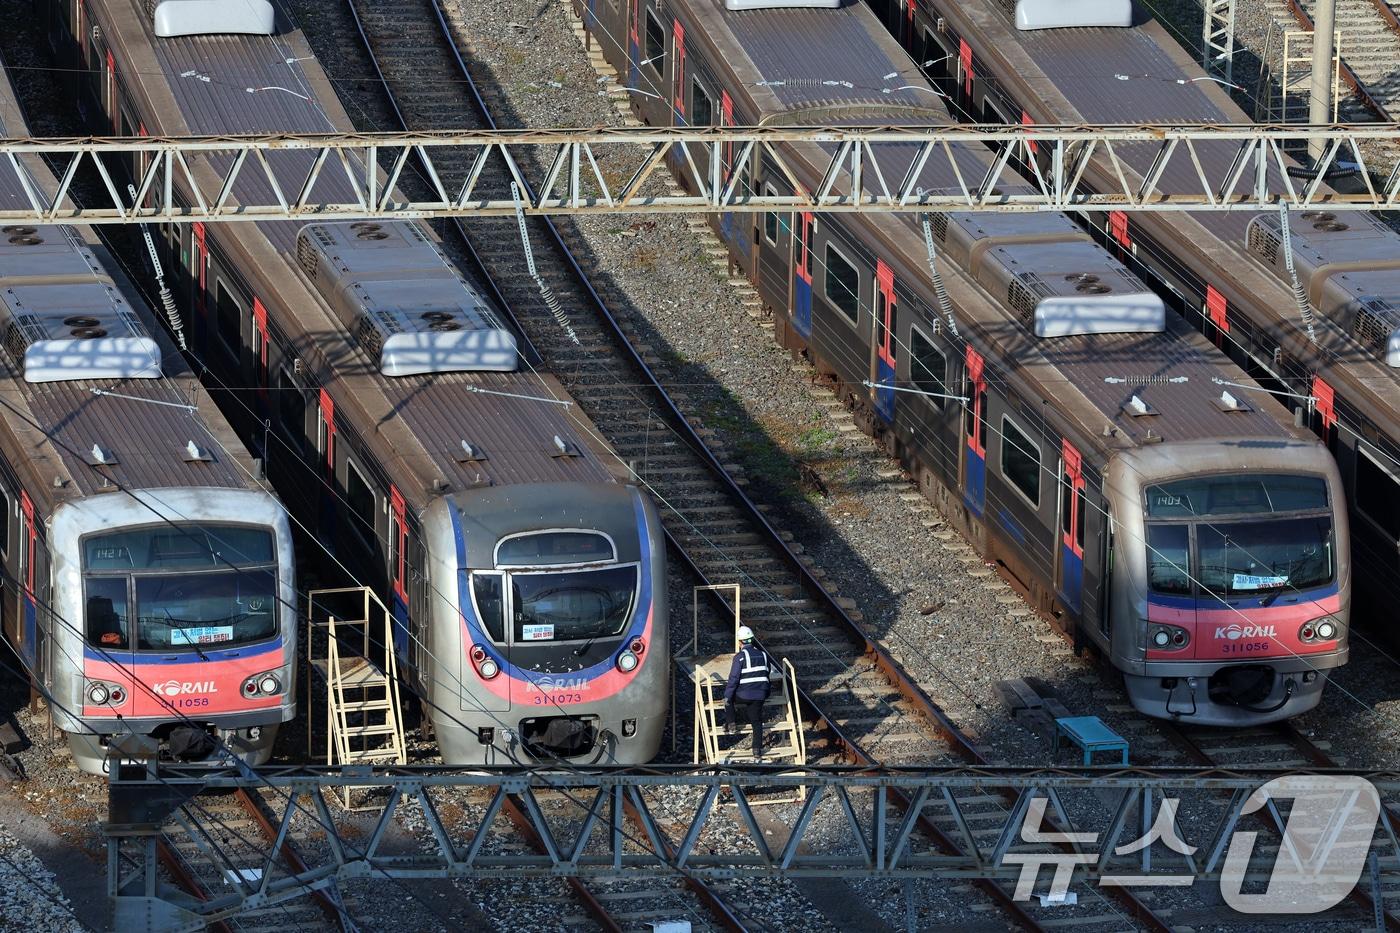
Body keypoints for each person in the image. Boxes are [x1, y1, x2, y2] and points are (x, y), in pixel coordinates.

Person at [723, 625, 775, 760]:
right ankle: (757, 750)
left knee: (728, 698)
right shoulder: (764, 655)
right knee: (756, 721)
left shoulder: (739, 657)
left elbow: (733, 679)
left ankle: (731, 723)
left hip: (744, 695)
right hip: (760, 695)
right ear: (752, 640)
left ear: (740, 642)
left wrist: (727, 696)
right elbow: (767, 673)